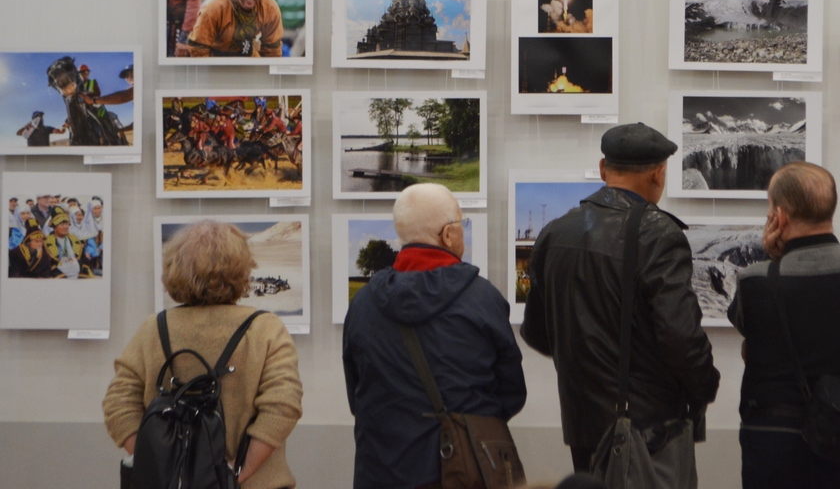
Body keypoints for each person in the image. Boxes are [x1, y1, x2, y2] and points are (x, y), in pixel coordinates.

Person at [522, 122, 720, 485]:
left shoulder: (554, 232)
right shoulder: (658, 233)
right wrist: (706, 385)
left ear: (603, 168)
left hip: (583, 427)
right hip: (648, 433)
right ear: (659, 174)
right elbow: (680, 336)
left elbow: (536, 332)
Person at [343, 184, 525, 489]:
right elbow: (512, 392)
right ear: (448, 235)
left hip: (381, 469)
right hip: (465, 471)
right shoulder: (483, 298)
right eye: (462, 223)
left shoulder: (362, 304)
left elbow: (357, 394)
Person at [727, 162, 840, 489]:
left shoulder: (753, 281)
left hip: (775, 442)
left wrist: (775, 260)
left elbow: (751, 344)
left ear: (780, 216)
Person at [103, 220, 303, 488]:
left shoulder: (153, 329)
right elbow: (283, 405)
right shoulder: (265, 329)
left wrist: (159, 463)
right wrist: (239, 473)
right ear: (242, 270)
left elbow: (118, 403)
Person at [183, 0, 285, 57]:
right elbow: (198, 47)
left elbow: (273, 49)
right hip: (216, 56)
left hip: (248, 54)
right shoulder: (214, 7)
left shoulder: (269, 7)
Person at [44, 208, 90, 279]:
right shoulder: (46, 243)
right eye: (62, 224)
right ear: (54, 227)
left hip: (79, 277)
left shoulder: (75, 240)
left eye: (67, 224)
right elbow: (47, 265)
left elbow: (84, 261)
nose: (66, 227)